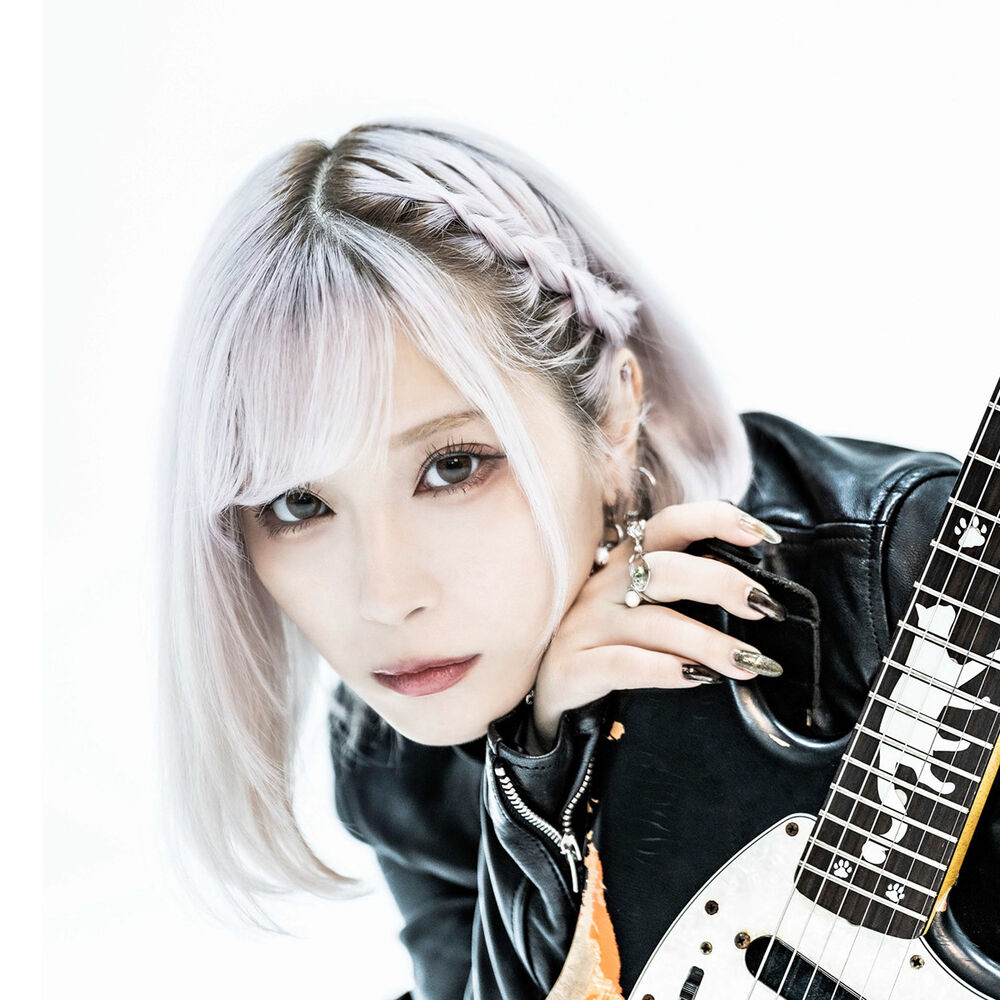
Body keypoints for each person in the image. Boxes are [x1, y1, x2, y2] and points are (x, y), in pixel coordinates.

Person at [156, 118, 1000, 1000]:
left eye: (453, 467)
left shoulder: (905, 574)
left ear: (612, 421)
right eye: (299, 504)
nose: (387, 596)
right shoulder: (397, 759)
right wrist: (544, 781)